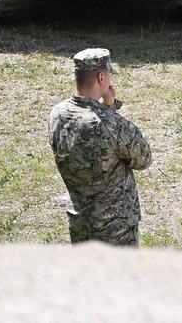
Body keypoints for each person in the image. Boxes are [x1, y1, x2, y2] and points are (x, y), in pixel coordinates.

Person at [48, 48, 152, 246]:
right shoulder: (111, 123)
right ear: (101, 77)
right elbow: (144, 159)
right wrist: (110, 110)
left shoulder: (57, 114)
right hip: (116, 228)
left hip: (80, 222)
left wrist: (108, 108)